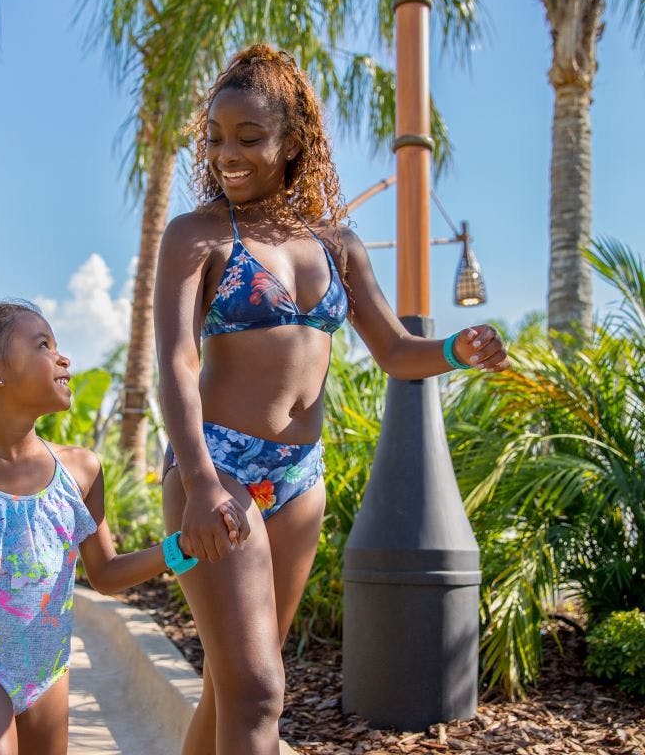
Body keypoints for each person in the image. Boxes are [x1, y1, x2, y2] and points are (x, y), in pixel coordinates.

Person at [153, 44, 511, 755]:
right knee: (258, 691)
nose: (229, 153)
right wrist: (197, 482)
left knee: (237, 687)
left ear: (293, 143)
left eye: (250, 139)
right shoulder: (196, 235)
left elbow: (394, 352)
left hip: (297, 479)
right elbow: (175, 361)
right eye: (217, 137)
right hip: (215, 468)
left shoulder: (338, 245)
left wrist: (454, 350)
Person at [0, 301, 235, 755]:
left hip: (49, 674)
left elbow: (104, 574)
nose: (63, 358)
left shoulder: (81, 471)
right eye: (43, 345)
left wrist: (181, 547)